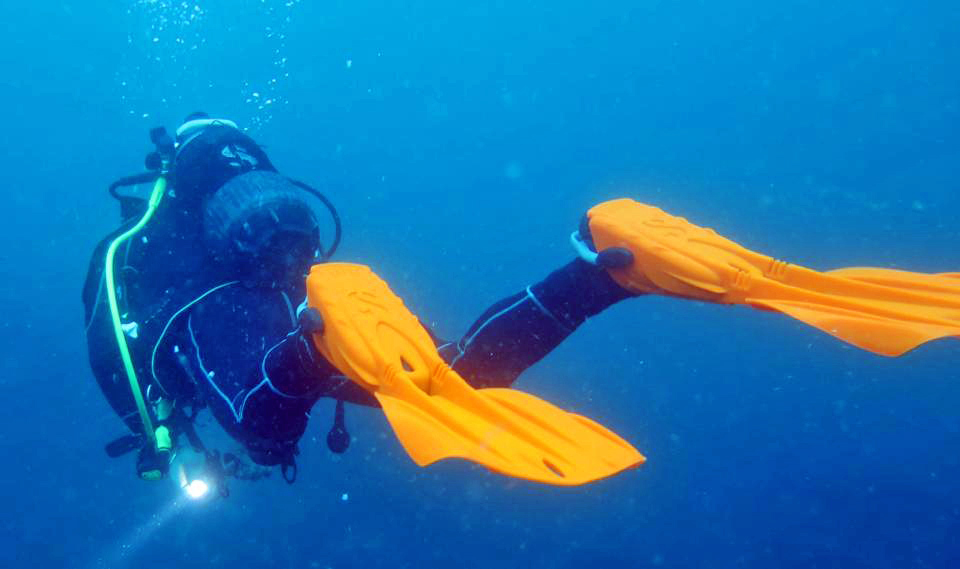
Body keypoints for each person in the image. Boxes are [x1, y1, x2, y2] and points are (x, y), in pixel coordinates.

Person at [85, 114, 960, 493]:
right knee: (452, 372)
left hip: (284, 332)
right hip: (303, 310)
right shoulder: (217, 263)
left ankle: (597, 274)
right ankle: (600, 266)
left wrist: (303, 357)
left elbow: (261, 431)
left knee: (315, 404)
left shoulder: (161, 270)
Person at [83, 114, 636, 490]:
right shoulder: (258, 233)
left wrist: (155, 432)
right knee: (455, 373)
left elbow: (111, 353)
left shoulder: (150, 253)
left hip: (268, 321)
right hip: (309, 295)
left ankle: (310, 353)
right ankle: (600, 273)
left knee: (264, 432)